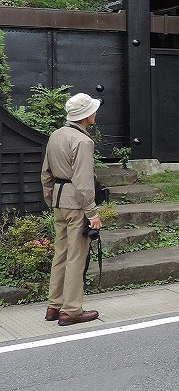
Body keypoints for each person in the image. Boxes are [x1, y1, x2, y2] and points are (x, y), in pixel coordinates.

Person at [40, 92, 103, 326]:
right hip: (76, 202)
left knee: (61, 254)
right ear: (87, 116)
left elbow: (46, 173)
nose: (95, 113)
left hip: (58, 200)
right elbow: (84, 181)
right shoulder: (83, 141)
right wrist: (92, 213)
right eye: (93, 110)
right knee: (77, 256)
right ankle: (72, 310)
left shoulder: (55, 136)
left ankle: (54, 306)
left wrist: (51, 199)